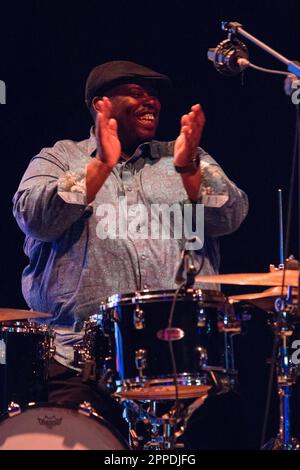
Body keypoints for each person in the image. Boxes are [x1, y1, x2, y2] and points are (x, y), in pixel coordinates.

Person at [13, 60, 248, 445]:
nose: (150, 100)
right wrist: (99, 165)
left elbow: (232, 216)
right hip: (80, 363)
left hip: (186, 360)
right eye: (136, 92)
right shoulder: (58, 158)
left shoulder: (185, 156)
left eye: (153, 95)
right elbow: (34, 218)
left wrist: (189, 169)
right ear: (100, 104)